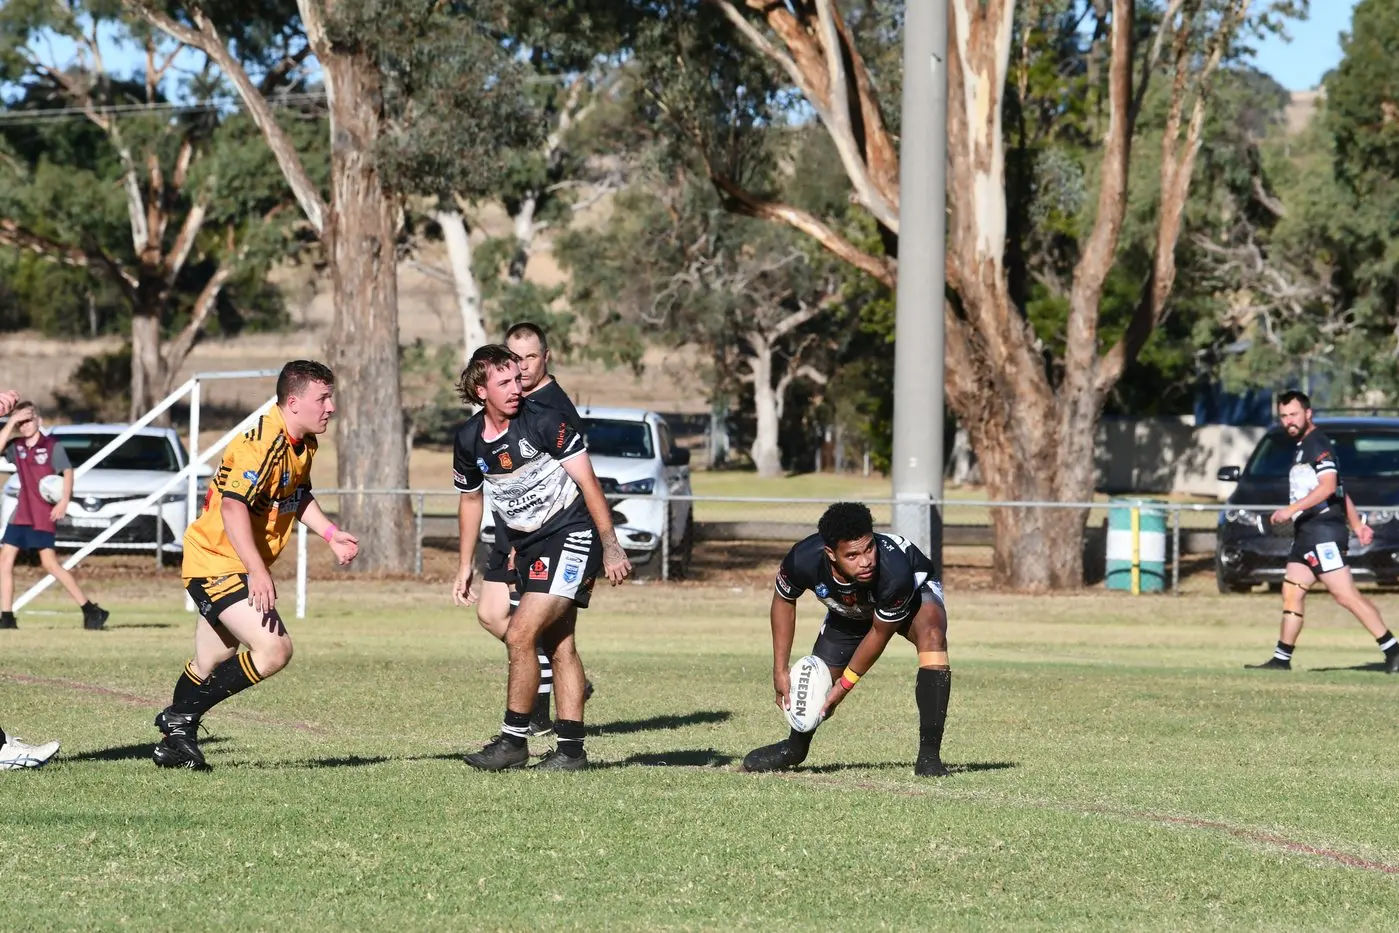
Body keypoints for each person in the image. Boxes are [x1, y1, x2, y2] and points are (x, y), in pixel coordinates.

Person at [151, 360, 360, 770]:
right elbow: (232, 508)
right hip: (217, 561)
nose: (331, 407)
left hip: (229, 562)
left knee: (212, 661)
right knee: (274, 649)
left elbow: (297, 494)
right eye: (323, 398)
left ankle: (174, 744)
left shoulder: (303, 443)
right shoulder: (261, 444)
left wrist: (331, 534)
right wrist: (257, 570)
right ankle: (180, 717)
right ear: (294, 402)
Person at [451, 344, 631, 771]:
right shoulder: (469, 439)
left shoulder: (545, 421)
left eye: (518, 378)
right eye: (505, 382)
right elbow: (471, 501)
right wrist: (464, 565)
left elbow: (589, 482)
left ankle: (514, 741)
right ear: (480, 391)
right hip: (531, 545)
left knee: (519, 634)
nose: (517, 388)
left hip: (573, 533)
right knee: (559, 644)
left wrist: (610, 545)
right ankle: (571, 752)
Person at [741, 502, 953, 777]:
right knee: (820, 677)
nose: (865, 561)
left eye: (869, 548)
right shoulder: (803, 558)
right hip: (849, 610)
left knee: (933, 637)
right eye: (852, 555)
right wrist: (779, 669)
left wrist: (844, 686)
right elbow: (784, 600)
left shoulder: (894, 571)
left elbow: (879, 633)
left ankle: (929, 757)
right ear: (830, 553)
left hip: (911, 596)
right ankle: (795, 747)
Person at [475, 322, 591, 737]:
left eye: (530, 357)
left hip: (552, 533)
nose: (521, 367)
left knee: (539, 635)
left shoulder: (552, 408)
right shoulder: (513, 399)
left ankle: (535, 719)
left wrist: (604, 542)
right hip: (513, 529)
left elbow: (577, 480)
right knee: (493, 615)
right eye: (514, 358)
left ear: (546, 357)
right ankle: (553, 688)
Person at [1246, 390, 1399, 673]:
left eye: (1294, 414)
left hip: (1323, 534)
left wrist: (1290, 510)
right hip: (1306, 534)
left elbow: (1328, 488)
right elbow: (1340, 489)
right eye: (1284, 416)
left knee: (1345, 595)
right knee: (1292, 593)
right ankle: (1281, 659)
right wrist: (1357, 525)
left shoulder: (1318, 444)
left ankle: (1394, 650)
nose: (1289, 421)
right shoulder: (1302, 446)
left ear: (1308, 413)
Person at [0, 400, 108, 630]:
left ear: (39, 420)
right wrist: (10, 422)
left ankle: (91, 609)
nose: (25, 425)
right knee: (4, 560)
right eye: (21, 422)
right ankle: (7, 618)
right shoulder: (16, 446)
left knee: (50, 564)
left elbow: (67, 472)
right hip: (21, 513)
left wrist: (64, 500)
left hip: (42, 513)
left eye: (29, 420)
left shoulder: (52, 446)